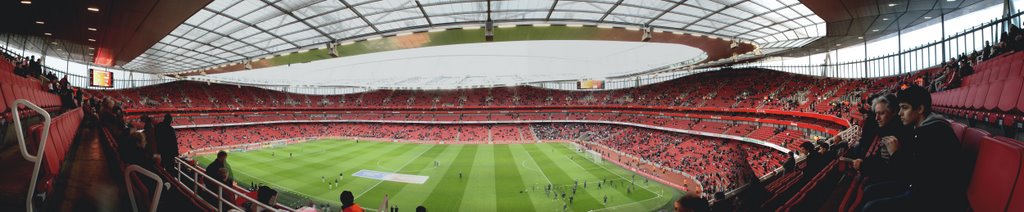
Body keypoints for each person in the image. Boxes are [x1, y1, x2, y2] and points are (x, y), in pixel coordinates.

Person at [860, 85, 967, 211]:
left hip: (935, 199)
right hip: (921, 188)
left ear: (920, 109)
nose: (900, 113)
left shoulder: (935, 132)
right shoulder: (921, 129)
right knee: (870, 191)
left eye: (905, 108)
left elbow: (916, 175)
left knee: (871, 207)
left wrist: (895, 153)